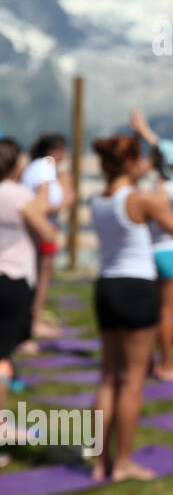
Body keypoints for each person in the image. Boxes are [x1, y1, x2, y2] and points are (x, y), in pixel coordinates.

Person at [89, 135, 173, 481]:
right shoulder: (141, 200)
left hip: (106, 286)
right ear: (132, 163)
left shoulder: (99, 200)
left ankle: (98, 461)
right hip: (136, 286)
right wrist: (161, 199)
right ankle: (123, 462)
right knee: (132, 381)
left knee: (107, 378)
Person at [0, 139, 59, 461]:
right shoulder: (17, 195)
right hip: (13, 278)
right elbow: (47, 231)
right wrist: (48, 190)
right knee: (2, 357)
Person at [130, 111, 173, 382]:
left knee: (153, 311)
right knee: (169, 313)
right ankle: (167, 363)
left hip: (152, 251)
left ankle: (147, 362)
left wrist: (144, 132)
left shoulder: (150, 185)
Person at [20, 133, 72, 340]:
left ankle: (34, 318)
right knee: (40, 276)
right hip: (41, 229)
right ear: (53, 151)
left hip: (39, 229)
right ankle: (33, 321)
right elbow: (44, 204)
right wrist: (67, 199)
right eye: (62, 149)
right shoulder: (45, 167)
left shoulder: (39, 167)